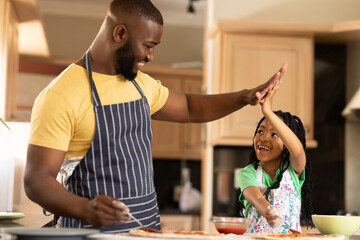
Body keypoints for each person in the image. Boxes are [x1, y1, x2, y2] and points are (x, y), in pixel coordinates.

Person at [24, 0, 287, 233]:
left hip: (147, 230)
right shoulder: (60, 96)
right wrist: (86, 208)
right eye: (148, 46)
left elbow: (189, 107)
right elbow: (37, 180)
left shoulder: (140, 84)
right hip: (91, 233)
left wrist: (245, 97)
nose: (151, 56)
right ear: (120, 33)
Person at [236, 81, 313, 234]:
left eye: (274, 134)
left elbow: (298, 151)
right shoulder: (247, 173)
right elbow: (254, 196)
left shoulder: (294, 172)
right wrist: (268, 211)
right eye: (260, 131)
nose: (263, 138)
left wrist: (268, 113)